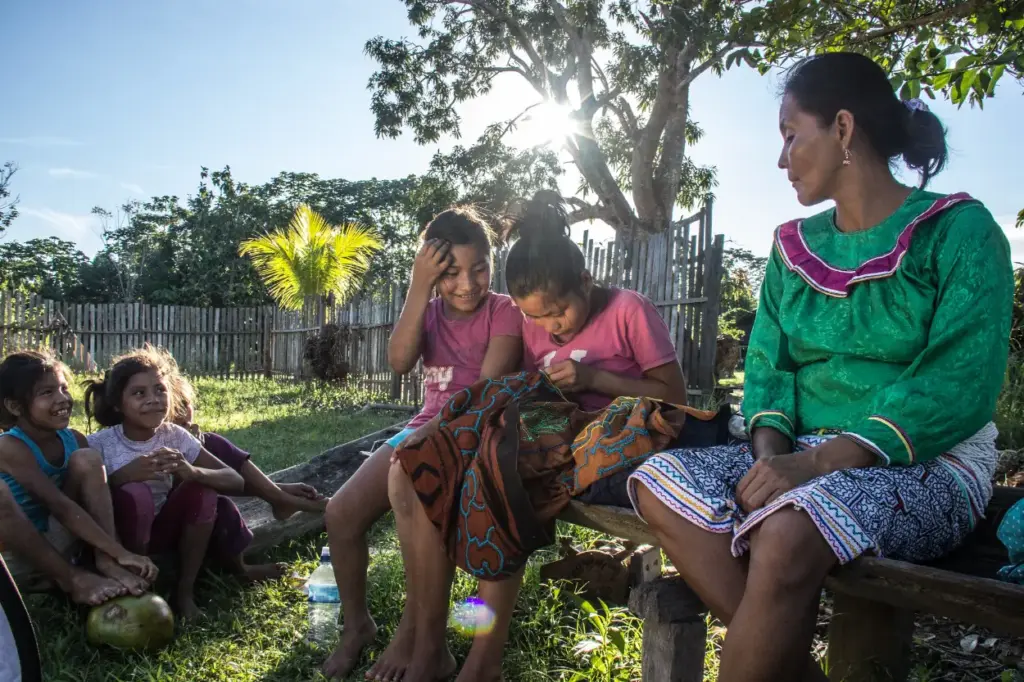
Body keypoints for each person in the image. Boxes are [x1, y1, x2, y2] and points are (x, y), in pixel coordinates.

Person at [626, 52, 1013, 682]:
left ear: (841, 128)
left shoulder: (959, 233)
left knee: (784, 531)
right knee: (658, 483)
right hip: (802, 451)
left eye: (788, 135)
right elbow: (768, 369)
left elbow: (959, 382)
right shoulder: (791, 249)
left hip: (924, 461)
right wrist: (771, 459)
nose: (781, 160)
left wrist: (812, 466)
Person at [382, 191, 690, 682]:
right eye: (535, 318)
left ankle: (484, 662)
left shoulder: (629, 310)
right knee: (477, 469)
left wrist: (594, 380)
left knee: (501, 481)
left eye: (558, 312)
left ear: (585, 282)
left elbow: (674, 395)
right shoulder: (531, 327)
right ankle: (442, 643)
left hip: (622, 437)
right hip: (558, 436)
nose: (550, 328)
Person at [322, 207, 524, 680]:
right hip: (424, 425)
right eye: (450, 273)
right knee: (341, 513)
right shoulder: (427, 311)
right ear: (431, 272)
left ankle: (422, 641)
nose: (467, 284)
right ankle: (358, 626)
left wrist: (423, 441)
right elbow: (397, 362)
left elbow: (485, 393)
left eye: (479, 268)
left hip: (476, 429)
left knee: (414, 478)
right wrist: (418, 288)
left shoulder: (503, 311)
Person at [85, 346, 279, 619]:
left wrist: (192, 472)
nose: (153, 400)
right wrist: (122, 477)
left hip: (166, 531)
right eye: (139, 393)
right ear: (118, 403)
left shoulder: (174, 436)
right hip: (121, 540)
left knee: (202, 491)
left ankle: (184, 592)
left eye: (160, 390)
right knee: (136, 493)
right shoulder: (100, 444)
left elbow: (234, 480)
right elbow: (84, 496)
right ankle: (139, 584)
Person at [0, 350, 157, 606]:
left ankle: (105, 561)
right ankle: (73, 579)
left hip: (60, 540)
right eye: (47, 393)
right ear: (15, 406)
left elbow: (90, 500)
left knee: (87, 459)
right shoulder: (9, 446)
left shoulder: (74, 439)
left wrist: (113, 551)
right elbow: (58, 505)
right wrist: (121, 550)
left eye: (63, 388)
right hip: (16, 554)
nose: (62, 399)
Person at [169, 374, 326, 520]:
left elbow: (230, 481)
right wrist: (194, 450)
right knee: (211, 443)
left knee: (209, 443)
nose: (181, 413)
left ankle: (276, 494)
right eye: (173, 408)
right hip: (171, 511)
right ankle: (280, 498)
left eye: (184, 404)